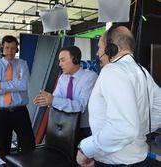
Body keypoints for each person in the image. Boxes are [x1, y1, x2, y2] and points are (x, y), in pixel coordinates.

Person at [76, 25, 153, 167]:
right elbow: (158, 109)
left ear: (111, 49)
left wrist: (86, 149)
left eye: (100, 47)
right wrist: (138, 134)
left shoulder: (112, 71)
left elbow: (124, 128)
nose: (98, 53)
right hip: (137, 159)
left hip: (114, 161)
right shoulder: (142, 71)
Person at [33, 46, 98, 145]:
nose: (60, 64)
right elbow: (56, 99)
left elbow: (80, 106)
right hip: (63, 125)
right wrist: (46, 100)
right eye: (59, 61)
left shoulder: (90, 77)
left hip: (82, 129)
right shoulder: (63, 77)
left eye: (62, 60)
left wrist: (53, 100)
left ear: (75, 59)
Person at [0, 35, 35, 158]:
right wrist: (13, 86)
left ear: (17, 49)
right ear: (2, 48)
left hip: (20, 112)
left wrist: (0, 85)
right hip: (1, 113)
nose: (10, 51)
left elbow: (23, 85)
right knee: (3, 149)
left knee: (29, 146)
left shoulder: (22, 64)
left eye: (13, 48)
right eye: (7, 48)